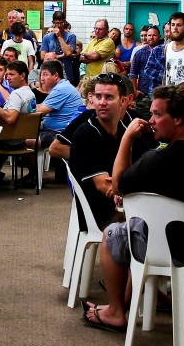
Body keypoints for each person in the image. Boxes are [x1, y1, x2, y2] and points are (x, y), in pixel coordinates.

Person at [82, 86, 184, 332]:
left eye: (157, 114)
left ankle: (116, 312)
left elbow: (117, 186)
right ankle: (131, 302)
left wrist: (127, 137)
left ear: (177, 119)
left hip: (174, 248)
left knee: (112, 234)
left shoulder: (159, 160)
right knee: (136, 229)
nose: (151, 121)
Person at [50, 73, 148, 229]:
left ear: (123, 101)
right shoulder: (85, 133)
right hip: (102, 214)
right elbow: (106, 187)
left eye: (109, 97)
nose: (102, 102)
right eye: (98, 96)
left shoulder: (125, 130)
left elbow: (145, 168)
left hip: (127, 206)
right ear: (92, 99)